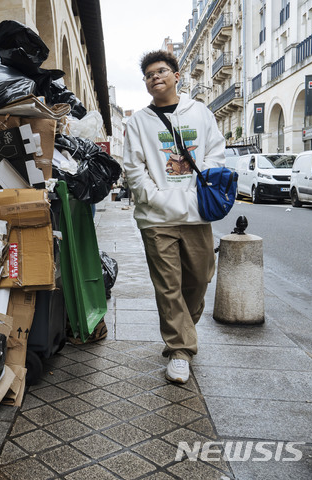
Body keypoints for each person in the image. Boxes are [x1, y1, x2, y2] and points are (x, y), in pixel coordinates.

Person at [122, 50, 225, 384]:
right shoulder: (138, 121)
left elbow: (215, 153)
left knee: (199, 278)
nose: (155, 77)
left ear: (177, 76)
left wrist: (195, 191)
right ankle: (180, 350)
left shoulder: (200, 113)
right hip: (157, 218)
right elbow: (133, 168)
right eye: (149, 74)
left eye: (161, 71)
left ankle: (184, 329)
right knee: (168, 286)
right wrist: (154, 197)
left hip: (196, 212)